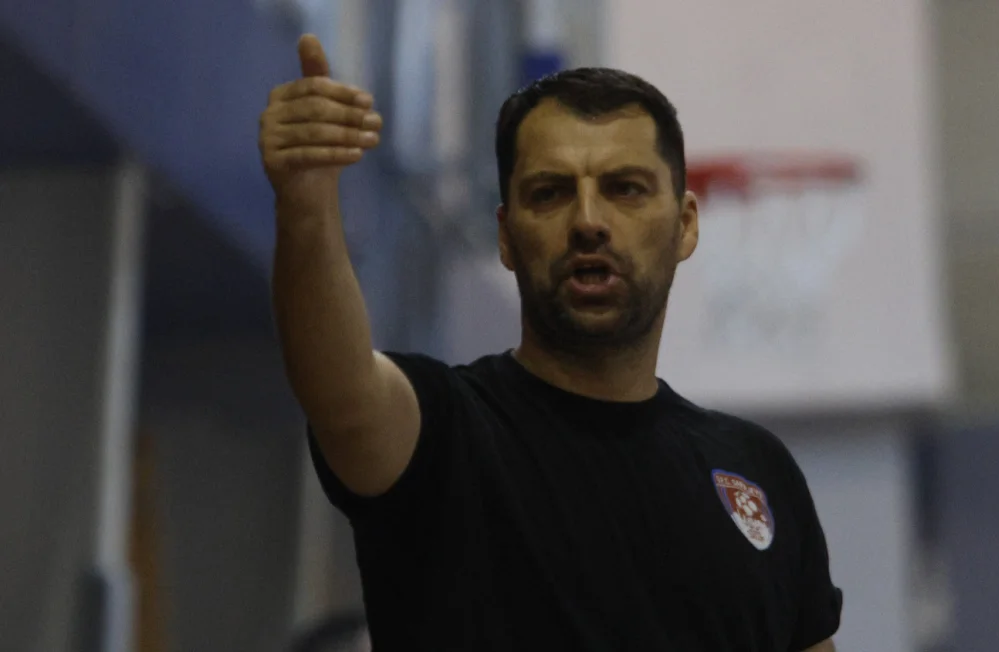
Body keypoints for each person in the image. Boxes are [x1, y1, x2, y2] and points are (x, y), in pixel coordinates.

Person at [260, 33, 843, 651]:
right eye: (550, 192)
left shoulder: (757, 470)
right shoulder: (449, 430)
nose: (589, 219)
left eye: (625, 188)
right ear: (507, 237)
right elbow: (341, 391)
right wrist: (306, 207)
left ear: (685, 225)